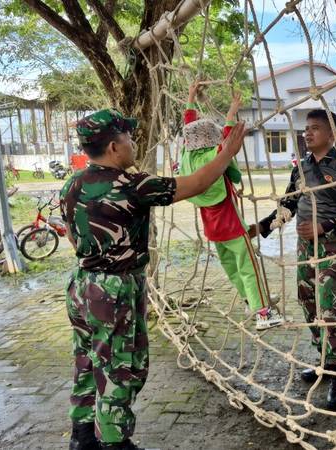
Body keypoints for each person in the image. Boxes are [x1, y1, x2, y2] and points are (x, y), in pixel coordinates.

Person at [61, 109, 247, 450]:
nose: (133, 144)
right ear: (115, 147)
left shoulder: (72, 183)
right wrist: (226, 153)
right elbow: (196, 184)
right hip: (115, 289)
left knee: (87, 358)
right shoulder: (133, 184)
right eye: (129, 139)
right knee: (121, 365)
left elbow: (73, 238)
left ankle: (83, 436)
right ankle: (115, 443)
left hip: (82, 283)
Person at [249, 109, 336, 411]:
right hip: (304, 248)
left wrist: (322, 227)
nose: (307, 133)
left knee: (329, 303)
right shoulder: (300, 168)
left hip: (332, 248)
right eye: (305, 129)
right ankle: (324, 360)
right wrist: (261, 227)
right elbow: (287, 204)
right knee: (307, 300)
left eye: (314, 128)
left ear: (331, 134)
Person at [181, 84, 282, 330]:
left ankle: (251, 301)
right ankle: (263, 313)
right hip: (233, 226)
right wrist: (231, 114)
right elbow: (227, 142)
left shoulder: (188, 158)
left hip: (213, 231)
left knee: (232, 269)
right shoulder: (216, 156)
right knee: (250, 268)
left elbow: (190, 125)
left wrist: (191, 98)